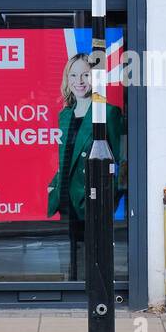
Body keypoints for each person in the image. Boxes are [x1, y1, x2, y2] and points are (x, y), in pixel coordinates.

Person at [47, 55, 124, 271]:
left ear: (95, 78)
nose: (79, 81)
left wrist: (111, 195)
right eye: (73, 75)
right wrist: (52, 186)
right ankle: (72, 283)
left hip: (92, 197)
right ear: (67, 79)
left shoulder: (108, 112)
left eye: (85, 75)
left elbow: (121, 160)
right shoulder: (64, 115)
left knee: (92, 259)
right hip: (64, 198)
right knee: (69, 259)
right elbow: (61, 157)